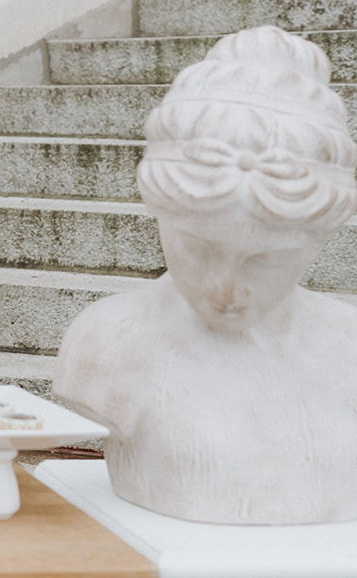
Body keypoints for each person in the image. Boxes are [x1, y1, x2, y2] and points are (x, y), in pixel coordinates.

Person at [55, 26, 357, 524]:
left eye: (268, 260)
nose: (227, 290)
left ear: (319, 240)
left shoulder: (347, 346)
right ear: (161, 217)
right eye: (197, 249)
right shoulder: (106, 345)